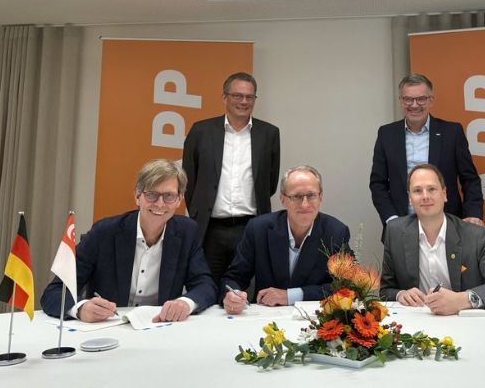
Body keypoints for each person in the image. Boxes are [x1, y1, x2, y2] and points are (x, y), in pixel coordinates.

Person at [40, 159, 217, 323]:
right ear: (137, 196)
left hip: (159, 327)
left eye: (169, 196)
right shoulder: (104, 233)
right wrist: (81, 308)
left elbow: (205, 285)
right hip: (110, 326)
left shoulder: (187, 232)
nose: (160, 204)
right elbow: (55, 291)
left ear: (179, 199)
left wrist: (185, 303)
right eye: (152, 195)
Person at [380, 164, 485, 315]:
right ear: (410, 198)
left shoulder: (475, 236)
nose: (425, 196)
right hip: (418, 321)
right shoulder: (395, 232)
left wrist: (463, 300)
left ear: (444, 194)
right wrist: (400, 294)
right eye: (417, 191)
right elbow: (385, 290)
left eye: (432, 189)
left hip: (464, 322)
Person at [182, 71, 280, 283]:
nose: (243, 102)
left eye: (249, 97)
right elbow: (188, 180)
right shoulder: (201, 131)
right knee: (206, 286)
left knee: (245, 291)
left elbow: (270, 183)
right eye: (237, 96)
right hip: (210, 229)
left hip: (251, 228)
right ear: (224, 97)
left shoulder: (269, 134)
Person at [221, 165, 350, 314]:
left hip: (314, 318)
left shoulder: (336, 232)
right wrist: (231, 295)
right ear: (283, 200)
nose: (305, 204)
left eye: (311, 195)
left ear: (320, 198)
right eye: (296, 196)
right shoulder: (258, 229)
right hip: (265, 317)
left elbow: (345, 286)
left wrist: (289, 296)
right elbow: (234, 277)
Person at [369, 73, 483, 231]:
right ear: (401, 100)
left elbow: (470, 179)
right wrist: (391, 219)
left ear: (431, 100)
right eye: (408, 99)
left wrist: (473, 214)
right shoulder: (386, 134)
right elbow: (378, 183)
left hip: (447, 225)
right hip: (402, 227)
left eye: (421, 99)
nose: (414, 105)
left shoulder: (452, 133)